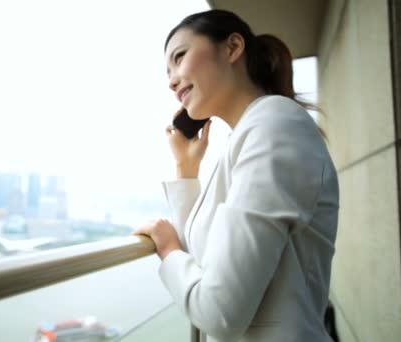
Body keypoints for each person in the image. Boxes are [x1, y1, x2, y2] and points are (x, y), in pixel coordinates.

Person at [134, 9, 339, 342]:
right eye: (168, 70)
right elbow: (206, 264)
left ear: (231, 48)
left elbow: (219, 311)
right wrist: (186, 167)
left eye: (180, 57)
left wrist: (169, 252)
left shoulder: (274, 125)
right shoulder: (250, 134)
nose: (171, 80)